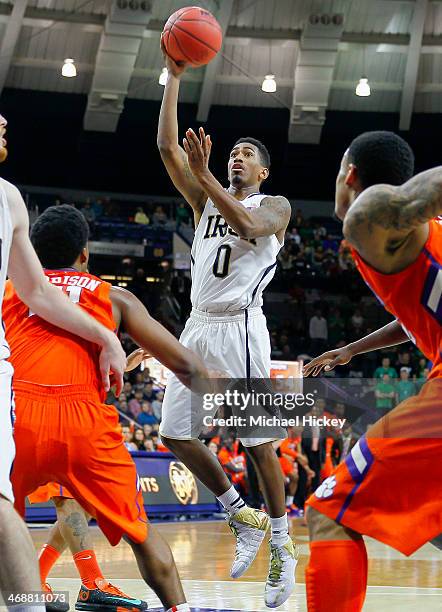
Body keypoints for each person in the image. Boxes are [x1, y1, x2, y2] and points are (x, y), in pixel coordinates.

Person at [6, 205, 212, 612]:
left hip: (17, 419)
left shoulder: (10, 290)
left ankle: (31, 600)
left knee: (5, 529)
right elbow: (189, 366)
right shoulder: (114, 297)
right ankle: (178, 609)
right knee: (142, 535)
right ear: (85, 254)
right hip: (84, 422)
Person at [157, 45, 297, 607]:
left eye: (245, 155)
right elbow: (168, 147)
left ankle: (282, 545)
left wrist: (208, 175)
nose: (236, 158)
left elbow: (245, 220)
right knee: (173, 433)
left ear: (261, 170)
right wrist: (172, 77)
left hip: (240, 328)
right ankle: (241, 516)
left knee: (258, 441)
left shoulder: (276, 205)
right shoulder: (203, 200)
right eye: (231, 153)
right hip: (197, 325)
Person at [303, 131, 442, 611]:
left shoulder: (368, 215)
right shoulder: (424, 235)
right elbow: (412, 318)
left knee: (329, 510)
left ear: (350, 174)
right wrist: (351, 350)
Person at [0, 115, 126, 611]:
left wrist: (104, 338)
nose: (6, 121)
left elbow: (37, 290)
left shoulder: (8, 198)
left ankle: (29, 603)